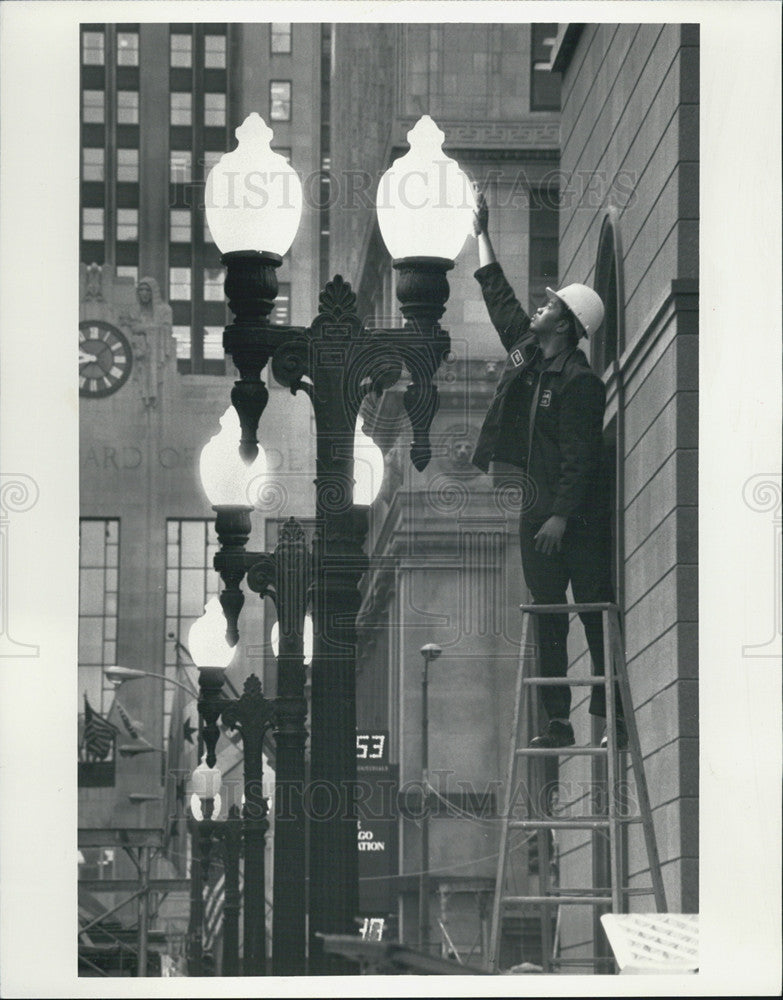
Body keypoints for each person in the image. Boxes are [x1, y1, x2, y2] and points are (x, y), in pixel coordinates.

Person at [471, 190, 625, 749]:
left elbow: (582, 457)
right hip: (535, 516)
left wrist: (560, 516)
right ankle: (558, 724)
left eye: (550, 304)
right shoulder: (529, 358)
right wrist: (480, 233)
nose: (540, 306)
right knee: (547, 619)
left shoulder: (582, 384)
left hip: (575, 522)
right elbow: (500, 301)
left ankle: (613, 724)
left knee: (589, 612)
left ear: (565, 325)